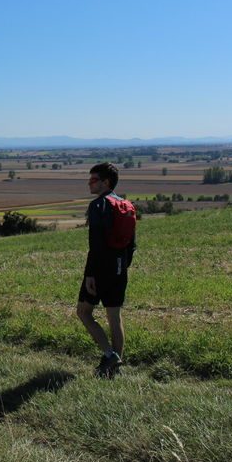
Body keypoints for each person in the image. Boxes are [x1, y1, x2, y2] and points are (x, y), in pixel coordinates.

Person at [76, 162, 135, 378]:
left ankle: (110, 355)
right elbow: (131, 244)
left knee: (83, 312)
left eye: (93, 180)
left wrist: (90, 274)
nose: (89, 183)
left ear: (105, 182)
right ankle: (114, 370)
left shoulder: (98, 205)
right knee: (114, 317)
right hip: (120, 269)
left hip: (100, 270)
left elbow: (96, 244)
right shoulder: (126, 206)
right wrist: (121, 267)